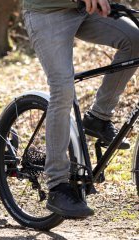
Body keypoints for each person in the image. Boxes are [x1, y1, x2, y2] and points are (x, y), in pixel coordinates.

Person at [23, 0, 139, 218]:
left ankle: (99, 117)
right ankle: (57, 185)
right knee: (63, 90)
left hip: (83, 10)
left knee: (136, 41)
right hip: (47, 13)